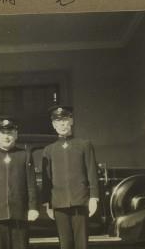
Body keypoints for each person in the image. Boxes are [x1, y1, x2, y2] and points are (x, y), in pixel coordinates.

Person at [41, 105, 99, 249]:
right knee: (65, 244)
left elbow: (92, 172)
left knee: (82, 244)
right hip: (59, 204)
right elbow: (47, 179)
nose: (62, 124)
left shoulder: (84, 145)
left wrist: (93, 198)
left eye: (65, 120)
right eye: (58, 121)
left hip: (80, 201)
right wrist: (48, 204)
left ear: (71, 121)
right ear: (53, 125)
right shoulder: (49, 150)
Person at [0, 116, 39, 249]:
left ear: (16, 134)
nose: (6, 137)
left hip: (20, 213)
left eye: (10, 133)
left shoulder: (25, 155)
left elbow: (31, 184)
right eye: (3, 133)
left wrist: (33, 207)